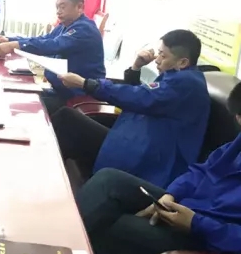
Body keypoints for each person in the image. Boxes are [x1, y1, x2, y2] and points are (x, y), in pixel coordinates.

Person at [77, 81, 241, 254]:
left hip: (208, 238)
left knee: (114, 225)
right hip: (184, 208)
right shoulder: (236, 146)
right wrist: (171, 195)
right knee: (108, 180)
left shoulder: (185, 85)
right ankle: (61, 243)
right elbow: (201, 171)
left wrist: (196, 223)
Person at [54, 30, 210, 187]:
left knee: (66, 121)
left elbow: (140, 98)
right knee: (67, 118)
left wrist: (86, 84)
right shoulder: (176, 76)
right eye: (158, 53)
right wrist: (136, 68)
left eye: (163, 56)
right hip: (131, 144)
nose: (157, 60)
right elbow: (145, 98)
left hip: (151, 164)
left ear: (182, 62)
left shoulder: (187, 84)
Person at [0, 0, 105, 113]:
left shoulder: (84, 29)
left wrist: (15, 45)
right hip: (59, 91)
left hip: (77, 95)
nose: (58, 11)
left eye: (63, 7)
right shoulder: (65, 25)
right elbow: (44, 39)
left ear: (79, 7)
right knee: (16, 99)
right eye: (57, 7)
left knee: (21, 108)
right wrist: (9, 39)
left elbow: (53, 45)